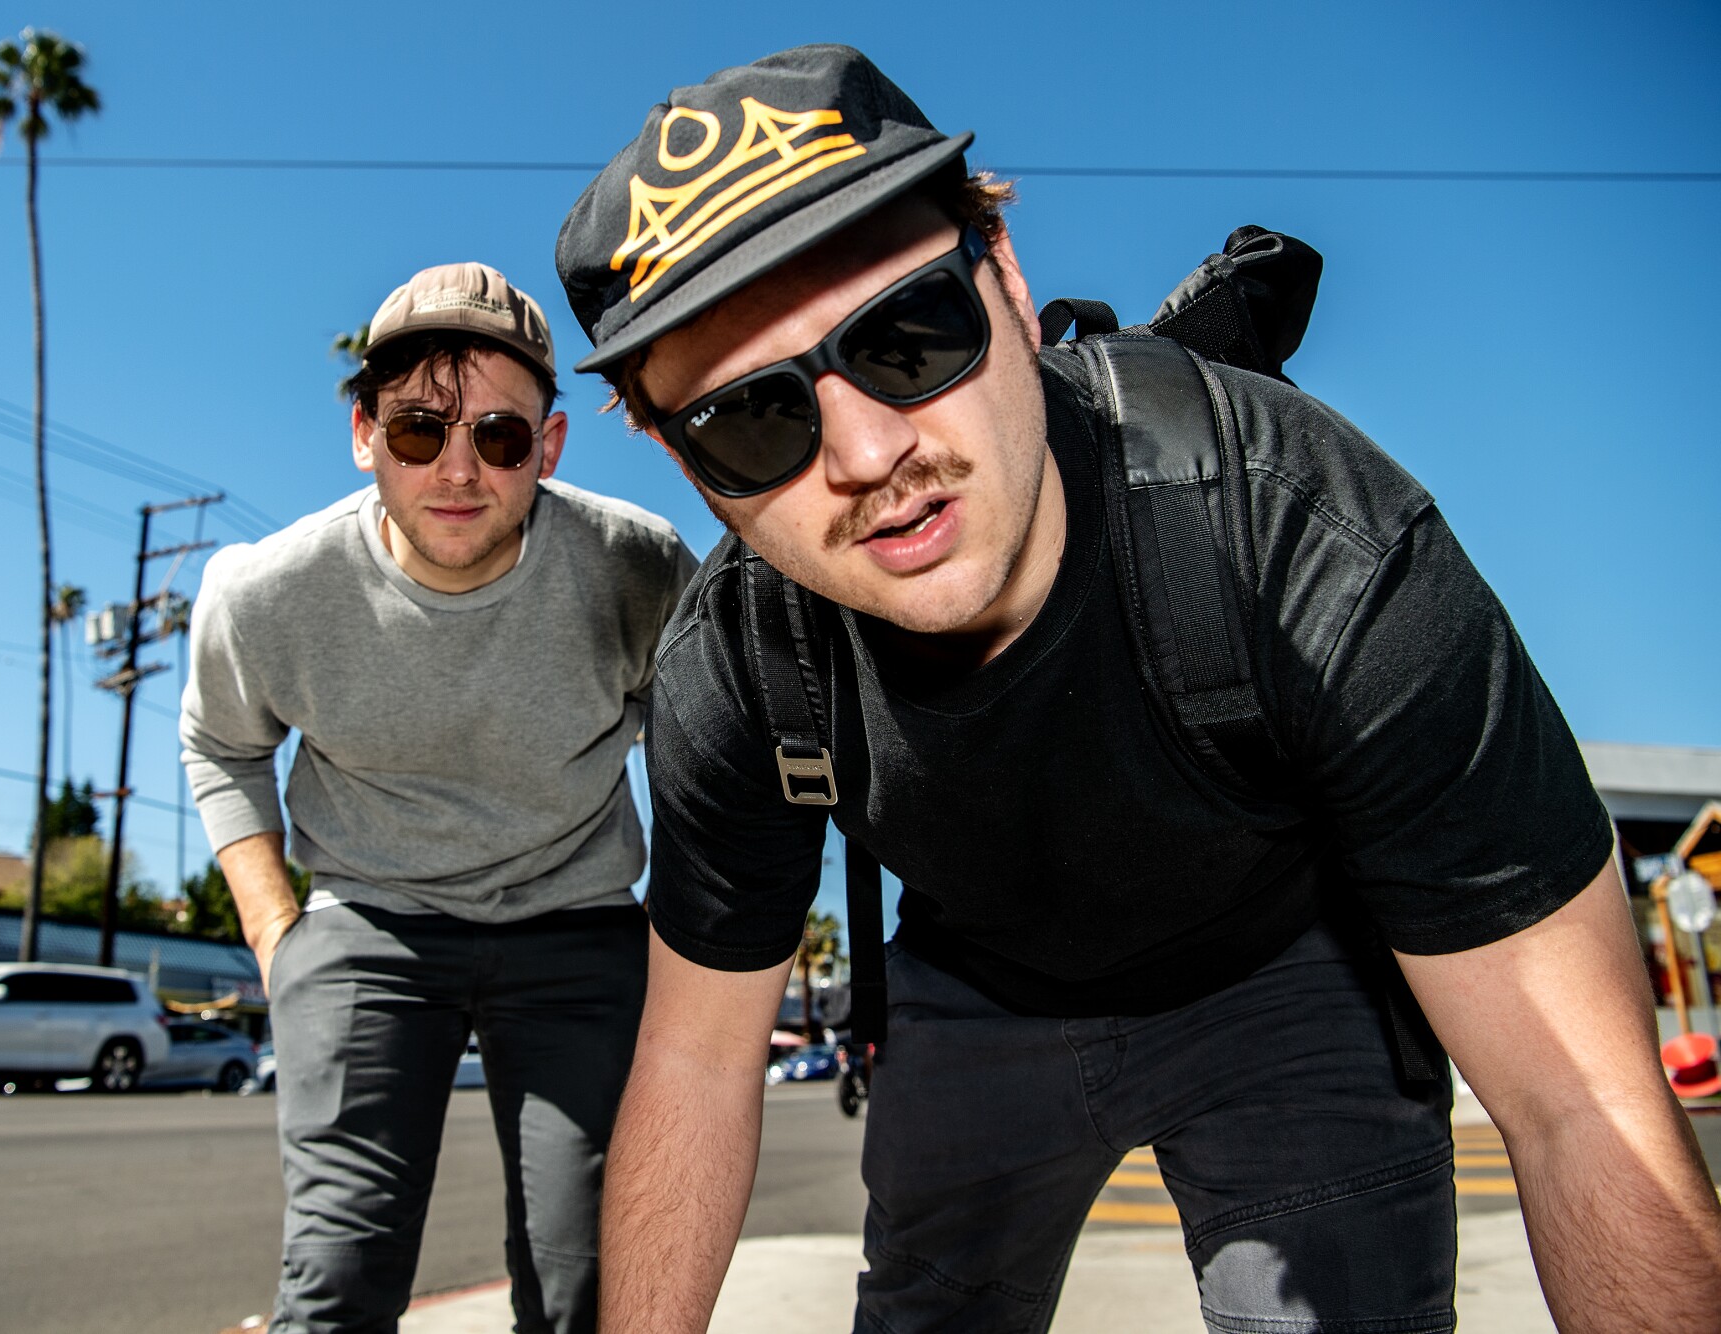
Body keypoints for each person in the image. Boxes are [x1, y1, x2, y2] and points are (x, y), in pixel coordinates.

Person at [552, 44, 1721, 1333]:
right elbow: (697, 1056)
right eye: (750, 420)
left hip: (1282, 971)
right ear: (676, 459)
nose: (869, 453)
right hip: (978, 992)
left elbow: (1584, 1108)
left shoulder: (1296, 539)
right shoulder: (737, 670)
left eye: (907, 334)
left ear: (1002, 276)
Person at [180, 261, 696, 1334]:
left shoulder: (635, 567)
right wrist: (280, 935)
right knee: (339, 1272)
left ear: (548, 447)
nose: (458, 470)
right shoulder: (268, 591)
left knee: (586, 1276)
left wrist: (686, 941)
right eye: (419, 431)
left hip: (576, 925)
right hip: (371, 924)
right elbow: (221, 745)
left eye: (500, 438)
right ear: (363, 432)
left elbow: (704, 749)